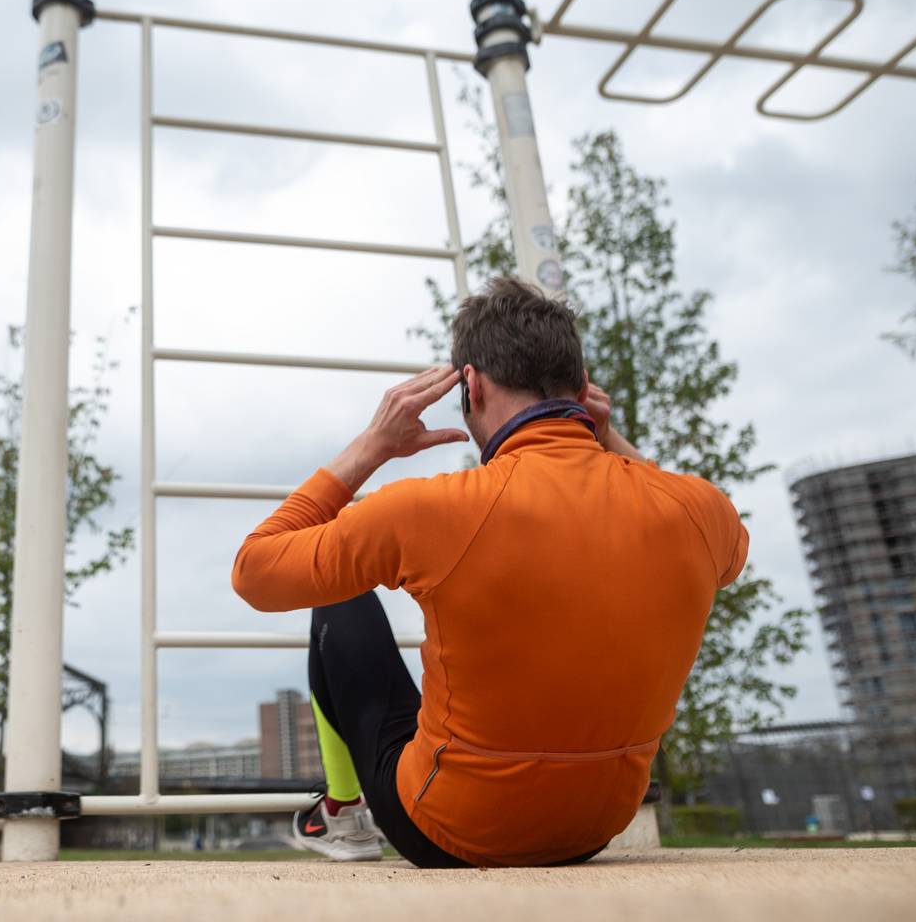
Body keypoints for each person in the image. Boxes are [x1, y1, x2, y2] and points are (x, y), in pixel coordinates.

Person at [231, 276, 747, 868]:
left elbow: (255, 571)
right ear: (583, 389)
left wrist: (370, 448)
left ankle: (343, 816)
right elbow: (728, 561)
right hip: (595, 826)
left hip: (452, 829)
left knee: (342, 599)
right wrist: (607, 439)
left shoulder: (430, 507)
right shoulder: (699, 509)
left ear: (470, 385)